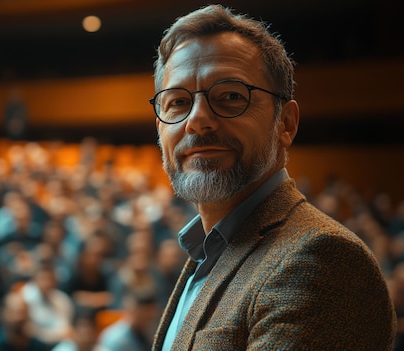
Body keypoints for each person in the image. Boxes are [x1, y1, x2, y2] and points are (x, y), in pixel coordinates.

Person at [149, 4, 396, 350]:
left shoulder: (320, 260)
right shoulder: (206, 250)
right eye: (177, 102)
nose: (197, 120)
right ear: (160, 127)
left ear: (286, 124)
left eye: (231, 96)